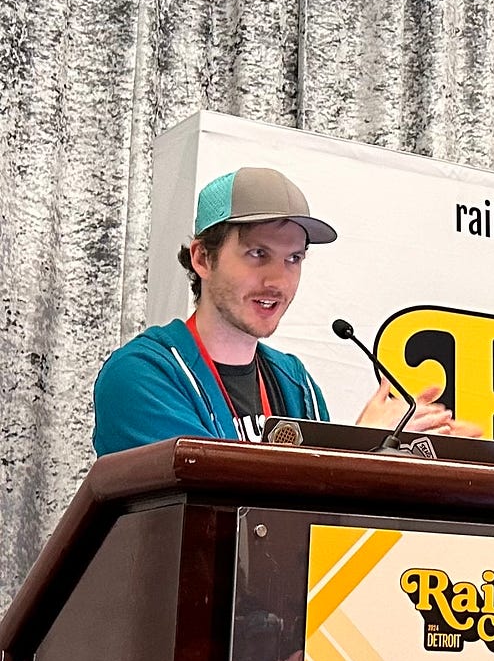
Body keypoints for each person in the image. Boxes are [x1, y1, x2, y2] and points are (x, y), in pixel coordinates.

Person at [93, 167, 461, 457]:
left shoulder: (295, 382)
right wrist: (361, 446)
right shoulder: (142, 374)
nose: (277, 280)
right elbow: (206, 504)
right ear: (203, 258)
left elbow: (316, 517)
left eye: (293, 258)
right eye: (258, 254)